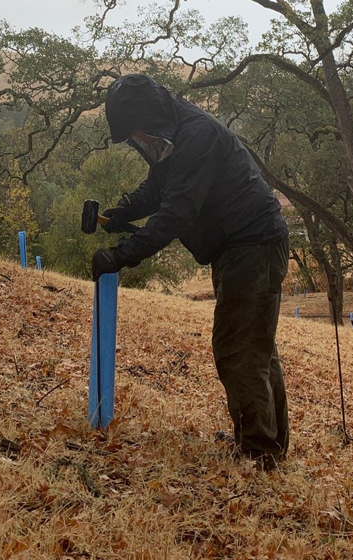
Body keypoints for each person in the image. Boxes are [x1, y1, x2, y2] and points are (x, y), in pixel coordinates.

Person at [92, 74, 290, 469]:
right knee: (255, 347)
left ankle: (260, 455)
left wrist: (120, 256)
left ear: (149, 120)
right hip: (241, 247)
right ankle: (265, 441)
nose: (137, 142)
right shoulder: (176, 133)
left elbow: (176, 214)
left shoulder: (197, 136)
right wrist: (126, 210)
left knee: (239, 349)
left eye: (135, 134)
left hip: (253, 246)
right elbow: (159, 186)